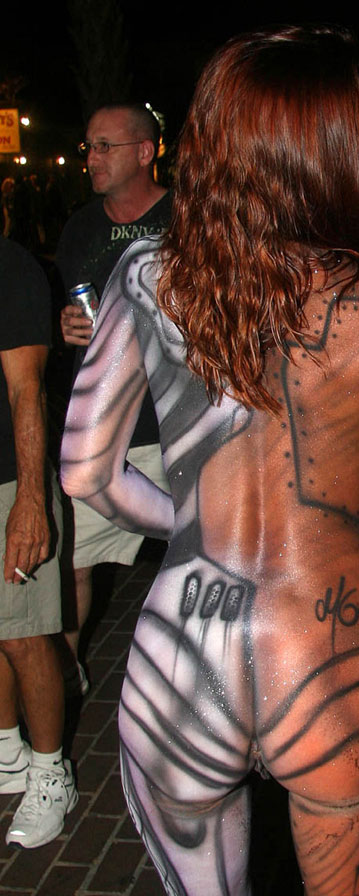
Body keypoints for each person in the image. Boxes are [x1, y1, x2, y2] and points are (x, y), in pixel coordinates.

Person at [61, 26, 359, 896]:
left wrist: (193, 525)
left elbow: (84, 474)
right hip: (332, 654)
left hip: (177, 661)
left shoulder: (145, 276)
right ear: (329, 149)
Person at [56, 103, 171, 691]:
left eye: (105, 146)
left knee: (202, 555)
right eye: (89, 146)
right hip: (105, 429)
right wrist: (66, 327)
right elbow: (75, 311)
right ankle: (64, 682)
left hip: (178, 424)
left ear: (145, 152)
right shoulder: (80, 227)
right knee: (72, 564)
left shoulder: (189, 218)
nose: (92, 158)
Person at [0, 236, 77, 849]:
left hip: (9, 483)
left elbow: (28, 389)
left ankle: (52, 773)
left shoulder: (11, 268)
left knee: (24, 634)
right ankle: (7, 753)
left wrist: (29, 502)